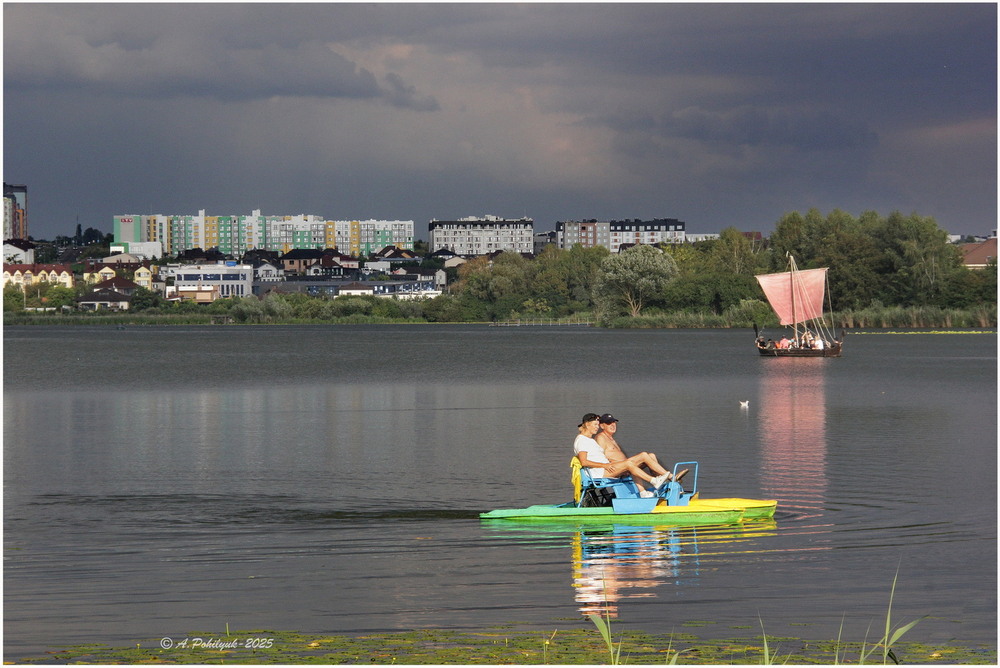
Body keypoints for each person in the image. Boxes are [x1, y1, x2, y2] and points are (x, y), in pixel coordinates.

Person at [573, 413, 673, 498]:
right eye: (595, 425)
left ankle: (654, 486)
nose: (597, 427)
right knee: (630, 463)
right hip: (599, 473)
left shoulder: (590, 440)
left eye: (598, 425)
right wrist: (605, 465)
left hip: (606, 469)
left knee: (642, 457)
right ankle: (654, 481)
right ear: (587, 424)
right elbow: (584, 462)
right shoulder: (582, 440)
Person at [594, 414, 688, 493]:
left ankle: (664, 486)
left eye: (614, 422)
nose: (613, 425)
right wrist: (611, 466)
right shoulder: (601, 438)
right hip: (616, 470)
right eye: (609, 423)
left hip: (626, 467)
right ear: (602, 426)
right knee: (643, 455)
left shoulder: (611, 439)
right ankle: (671, 477)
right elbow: (600, 457)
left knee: (651, 456)